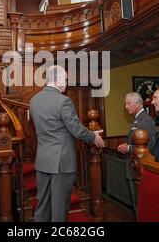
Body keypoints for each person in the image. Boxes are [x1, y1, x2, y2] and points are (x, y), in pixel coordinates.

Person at [29, 65, 104, 222]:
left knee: (43, 204)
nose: (67, 83)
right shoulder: (64, 101)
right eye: (65, 79)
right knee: (59, 207)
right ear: (57, 80)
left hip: (43, 160)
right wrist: (93, 136)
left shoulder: (34, 100)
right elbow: (76, 129)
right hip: (61, 162)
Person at [117, 92, 156, 214]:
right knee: (136, 205)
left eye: (128, 103)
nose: (126, 107)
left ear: (138, 104)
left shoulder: (146, 120)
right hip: (134, 168)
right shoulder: (137, 119)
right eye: (125, 104)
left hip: (139, 170)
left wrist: (128, 148)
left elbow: (150, 145)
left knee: (141, 206)